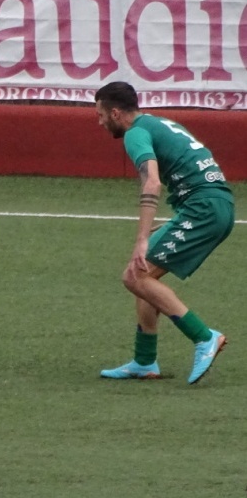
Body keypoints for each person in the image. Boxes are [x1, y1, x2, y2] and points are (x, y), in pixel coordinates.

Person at [95, 81, 234, 384]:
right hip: (213, 205)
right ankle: (144, 361)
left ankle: (204, 337)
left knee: (135, 276)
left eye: (101, 115)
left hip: (204, 209)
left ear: (115, 113)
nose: (100, 122)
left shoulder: (135, 133)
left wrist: (142, 239)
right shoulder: (157, 123)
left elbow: (152, 182)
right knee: (143, 275)